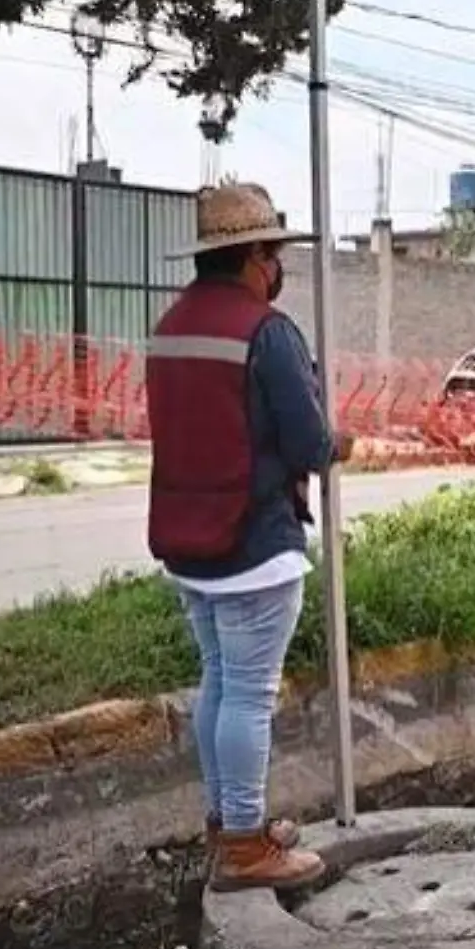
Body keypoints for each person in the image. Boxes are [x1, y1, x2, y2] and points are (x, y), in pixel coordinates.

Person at [145, 182, 351, 892]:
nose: (279, 269)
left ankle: (229, 823)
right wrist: (338, 442)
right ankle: (243, 848)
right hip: (254, 546)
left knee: (218, 684)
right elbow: (309, 442)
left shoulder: (172, 324)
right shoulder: (267, 331)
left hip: (187, 543)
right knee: (249, 696)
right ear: (256, 257)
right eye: (275, 254)